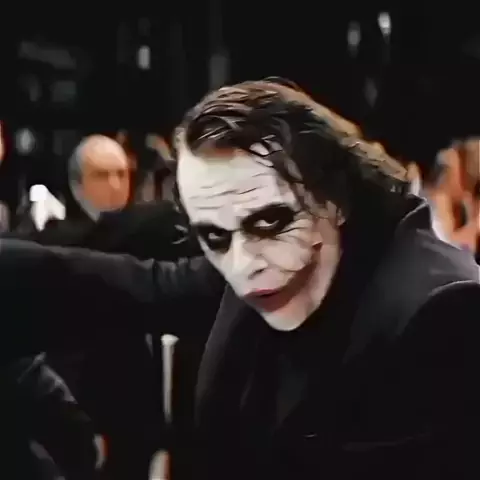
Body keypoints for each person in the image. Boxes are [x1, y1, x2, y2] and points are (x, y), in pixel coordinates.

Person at [1, 78, 480, 479]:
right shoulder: (258, 261)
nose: (243, 262)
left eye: (269, 222)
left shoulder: (440, 313)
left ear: (334, 197)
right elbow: (132, 285)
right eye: (214, 236)